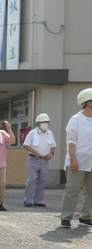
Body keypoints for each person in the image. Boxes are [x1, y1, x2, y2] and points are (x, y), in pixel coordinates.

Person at [60, 88, 92, 228]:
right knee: (72, 190)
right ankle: (66, 217)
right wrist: (73, 160)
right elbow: (71, 141)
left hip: (91, 161)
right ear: (88, 102)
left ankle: (86, 216)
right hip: (78, 160)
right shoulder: (76, 120)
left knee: (90, 191)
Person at [22, 113, 57, 207]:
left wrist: (51, 153)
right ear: (38, 123)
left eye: (47, 122)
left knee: (42, 180)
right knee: (32, 179)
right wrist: (35, 152)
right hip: (33, 159)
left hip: (45, 160)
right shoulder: (32, 133)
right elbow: (26, 145)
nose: (45, 124)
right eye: (43, 122)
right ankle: (27, 200)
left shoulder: (50, 133)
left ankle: (38, 200)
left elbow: (53, 146)